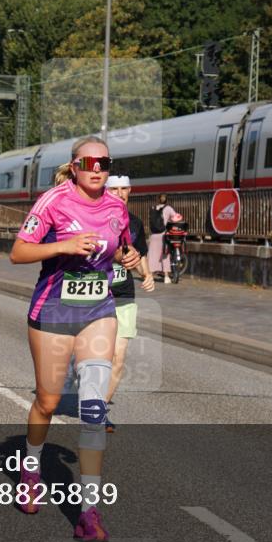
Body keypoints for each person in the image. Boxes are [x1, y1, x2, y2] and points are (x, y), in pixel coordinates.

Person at [9, 135, 139, 541]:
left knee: (93, 408)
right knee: (47, 401)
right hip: (52, 312)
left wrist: (128, 257)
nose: (97, 168)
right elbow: (18, 252)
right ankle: (31, 466)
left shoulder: (118, 208)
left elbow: (119, 248)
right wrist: (64, 245)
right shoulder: (54, 201)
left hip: (98, 312)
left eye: (104, 162)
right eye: (89, 162)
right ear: (75, 165)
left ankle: (89, 511)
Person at [104, 175, 155, 432]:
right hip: (94, 296)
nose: (119, 192)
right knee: (92, 356)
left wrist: (147, 275)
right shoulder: (94, 217)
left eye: (124, 188)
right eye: (114, 188)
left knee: (118, 358)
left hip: (123, 295)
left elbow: (140, 255)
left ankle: (99, 411)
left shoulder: (134, 223)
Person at [147, 193, 179, 283]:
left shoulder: (154, 208)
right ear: (167, 200)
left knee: (152, 256)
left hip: (153, 235)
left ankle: (150, 276)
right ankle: (166, 277)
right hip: (163, 235)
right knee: (165, 255)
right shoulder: (168, 208)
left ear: (158, 199)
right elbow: (176, 218)